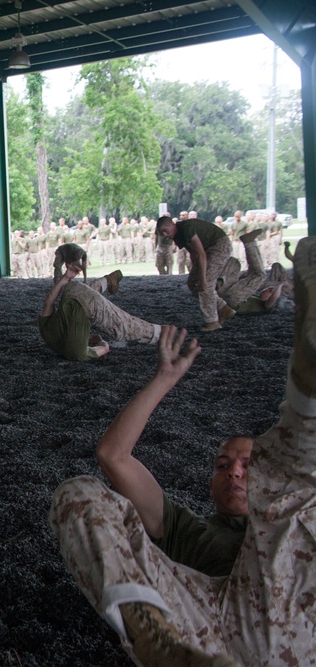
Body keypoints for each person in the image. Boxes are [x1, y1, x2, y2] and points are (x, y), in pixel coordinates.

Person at [50, 236, 316, 665]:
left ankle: (309, 368)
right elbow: (113, 457)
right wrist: (163, 380)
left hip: (294, 615)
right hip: (201, 630)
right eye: (223, 464)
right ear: (209, 482)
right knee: (78, 494)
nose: (234, 472)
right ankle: (143, 618)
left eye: (248, 466)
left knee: (295, 493)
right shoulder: (189, 532)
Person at [39, 264, 160, 361]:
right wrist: (66, 278)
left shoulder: (77, 353)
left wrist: (100, 341)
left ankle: (162, 333)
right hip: (72, 290)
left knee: (122, 329)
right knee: (87, 290)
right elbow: (49, 300)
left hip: (91, 305)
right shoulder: (45, 332)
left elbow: (105, 348)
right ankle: (107, 280)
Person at [157, 214, 234, 331]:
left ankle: (212, 321)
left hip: (219, 245)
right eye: (162, 233)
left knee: (205, 285)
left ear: (173, 224)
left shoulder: (187, 228)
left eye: (165, 231)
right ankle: (223, 308)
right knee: (193, 283)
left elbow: (201, 254)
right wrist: (195, 272)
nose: (165, 235)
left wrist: (203, 279)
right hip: (207, 250)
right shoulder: (177, 236)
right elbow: (193, 253)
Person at [217, 230, 288, 314]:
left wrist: (281, 284)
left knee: (260, 276)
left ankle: (249, 243)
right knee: (234, 262)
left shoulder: (265, 307)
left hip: (233, 302)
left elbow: (274, 297)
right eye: (269, 289)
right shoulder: (252, 295)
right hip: (223, 293)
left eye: (270, 291)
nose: (267, 289)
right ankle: (217, 281)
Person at [52, 242, 122, 294]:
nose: (78, 259)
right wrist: (67, 278)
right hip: (61, 251)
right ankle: (57, 283)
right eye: (76, 258)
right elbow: (68, 266)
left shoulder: (83, 254)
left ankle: (66, 283)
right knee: (57, 266)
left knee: (76, 268)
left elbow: (84, 267)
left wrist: (85, 280)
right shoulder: (69, 252)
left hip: (73, 253)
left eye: (79, 258)